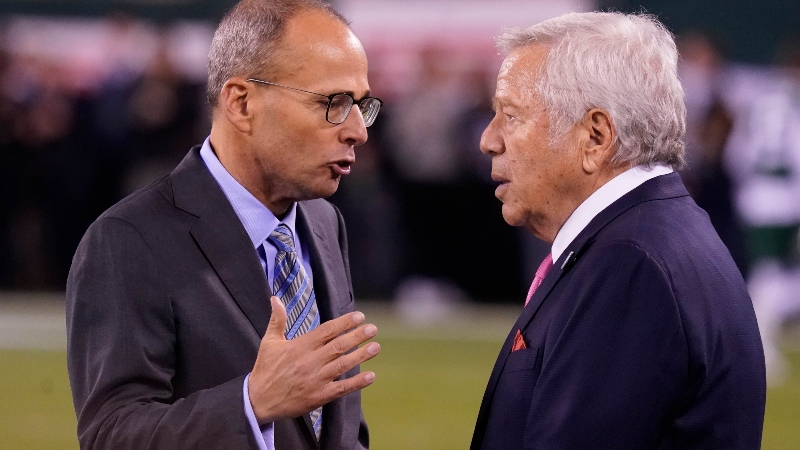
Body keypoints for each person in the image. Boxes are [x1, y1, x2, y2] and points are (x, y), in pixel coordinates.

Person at [65, 1, 382, 449]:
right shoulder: (128, 240)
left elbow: (340, 428)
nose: (357, 130)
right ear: (241, 102)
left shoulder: (323, 221)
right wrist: (250, 404)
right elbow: (111, 436)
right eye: (333, 102)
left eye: (361, 105)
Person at [470, 12, 765, 450]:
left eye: (511, 116)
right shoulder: (653, 236)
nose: (488, 140)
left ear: (595, 136)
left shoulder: (630, 265)